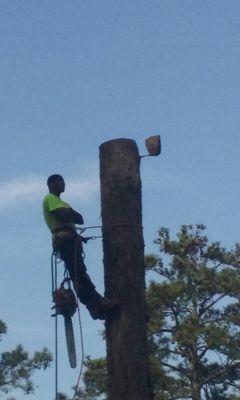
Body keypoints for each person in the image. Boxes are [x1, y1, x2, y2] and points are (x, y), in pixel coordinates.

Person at [42, 174, 117, 320]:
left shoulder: (62, 202)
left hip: (70, 239)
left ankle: (95, 305)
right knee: (79, 274)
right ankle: (96, 304)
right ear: (52, 184)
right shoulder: (50, 199)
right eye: (61, 181)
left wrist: (70, 214)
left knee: (80, 273)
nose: (64, 184)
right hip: (64, 239)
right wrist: (70, 213)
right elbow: (65, 216)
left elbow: (79, 219)